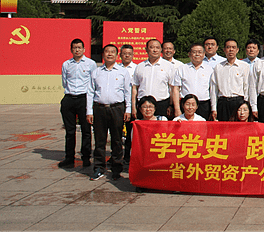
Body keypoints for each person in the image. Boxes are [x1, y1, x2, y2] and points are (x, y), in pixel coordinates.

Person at [87, 44, 132, 181]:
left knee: (117, 140)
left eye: (113, 52)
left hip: (117, 108)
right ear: (103, 54)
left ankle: (116, 168)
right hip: (99, 108)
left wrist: (128, 109)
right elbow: (90, 92)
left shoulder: (122, 72)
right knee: (100, 140)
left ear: (117, 55)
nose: (110, 54)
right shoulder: (96, 72)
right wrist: (89, 111)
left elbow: (127, 92)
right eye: (107, 52)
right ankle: (99, 168)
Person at [59, 38, 96, 168]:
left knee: (86, 130)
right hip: (69, 98)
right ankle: (69, 157)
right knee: (70, 131)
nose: (77, 50)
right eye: (74, 48)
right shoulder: (66, 64)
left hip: (83, 99)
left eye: (79, 47)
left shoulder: (90, 64)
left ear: (84, 49)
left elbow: (93, 83)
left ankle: (86, 157)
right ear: (71, 50)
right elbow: (64, 81)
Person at [132, 39, 178, 120]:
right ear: (146, 49)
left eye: (157, 47)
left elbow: (173, 88)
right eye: (152, 47)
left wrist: (171, 105)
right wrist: (133, 107)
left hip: (161, 104)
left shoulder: (168, 66)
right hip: (143, 106)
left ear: (161, 50)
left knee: (161, 131)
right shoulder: (140, 66)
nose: (155, 50)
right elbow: (135, 88)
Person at [210, 39, 251, 121]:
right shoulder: (218, 67)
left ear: (237, 50)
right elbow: (214, 88)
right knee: (224, 129)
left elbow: (247, 86)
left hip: (238, 102)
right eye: (228, 47)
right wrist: (214, 107)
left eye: (233, 47)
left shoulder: (244, 66)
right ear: (224, 50)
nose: (231, 50)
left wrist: (245, 105)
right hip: (223, 102)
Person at [174, 44, 213, 120]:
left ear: (204, 54)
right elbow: (176, 89)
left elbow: (213, 90)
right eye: (194, 52)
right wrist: (177, 109)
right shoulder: (182, 69)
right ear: (189, 54)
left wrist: (213, 108)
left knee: (202, 129)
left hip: (203, 104)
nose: (197, 54)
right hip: (186, 105)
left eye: (200, 52)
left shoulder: (210, 70)